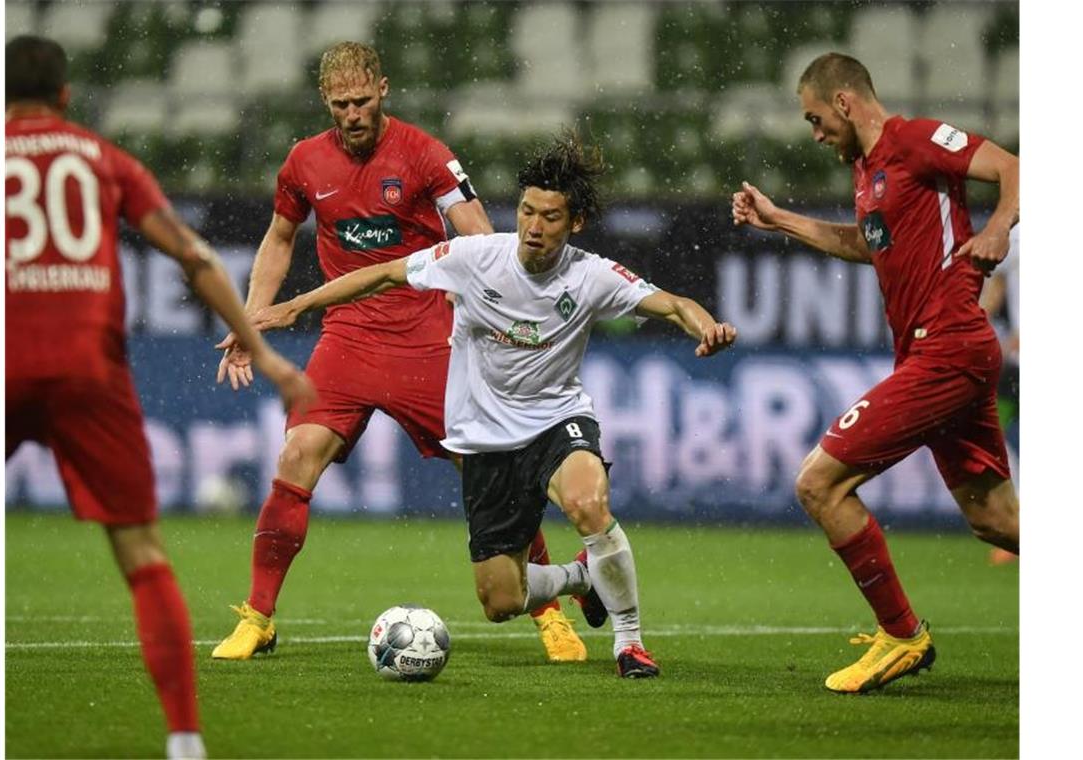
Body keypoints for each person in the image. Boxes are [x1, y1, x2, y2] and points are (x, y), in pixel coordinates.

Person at [245, 131, 739, 677]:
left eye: (551, 216)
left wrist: (706, 327)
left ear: (573, 223)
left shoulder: (592, 274)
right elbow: (384, 273)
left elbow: (673, 303)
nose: (534, 226)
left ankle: (630, 643)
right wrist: (297, 305)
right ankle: (582, 578)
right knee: (501, 601)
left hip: (556, 421)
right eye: (528, 210)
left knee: (587, 503)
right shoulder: (476, 257)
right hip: (483, 439)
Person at [211, 41, 587, 663]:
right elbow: (280, 237)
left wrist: (499, 311)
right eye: (340, 104)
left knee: (488, 476)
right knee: (296, 456)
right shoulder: (304, 163)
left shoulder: (425, 156)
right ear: (325, 102)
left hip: (425, 338)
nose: (352, 113)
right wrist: (253, 318)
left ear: (383, 90)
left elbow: (475, 234)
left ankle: (548, 611)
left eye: (362, 100)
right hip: (348, 338)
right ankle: (258, 616)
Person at [5, 36, 316, 760]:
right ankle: (183, 740)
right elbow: (193, 256)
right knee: (143, 553)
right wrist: (265, 355)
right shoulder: (101, 158)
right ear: (65, 97)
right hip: (88, 369)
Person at [731, 52, 1019, 694]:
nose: (815, 134)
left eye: (814, 118)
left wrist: (1000, 225)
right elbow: (866, 245)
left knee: (818, 484)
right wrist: (779, 220)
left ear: (842, 102)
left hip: (947, 349)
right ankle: (902, 634)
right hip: (940, 356)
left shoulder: (914, 141)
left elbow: (1013, 167)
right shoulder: (868, 173)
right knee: (996, 522)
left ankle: (902, 634)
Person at [979, 224, 1020, 565]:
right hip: (1017, 360)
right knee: (1001, 434)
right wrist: (978, 319)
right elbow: (1000, 282)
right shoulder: (1016, 231)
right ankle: (1016, 525)